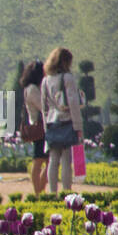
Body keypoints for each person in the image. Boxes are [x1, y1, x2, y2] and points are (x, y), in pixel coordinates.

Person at [40, 47, 83, 192]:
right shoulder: (67, 78)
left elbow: (44, 106)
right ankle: (66, 192)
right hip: (66, 121)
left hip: (52, 122)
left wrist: (46, 127)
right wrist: (78, 126)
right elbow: (73, 103)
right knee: (66, 160)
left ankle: (52, 192)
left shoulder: (46, 80)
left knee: (53, 160)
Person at [20, 60, 46, 194]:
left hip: (40, 127)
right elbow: (43, 107)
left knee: (46, 161)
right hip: (40, 129)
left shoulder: (32, 88)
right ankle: (38, 192)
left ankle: (40, 191)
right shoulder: (32, 89)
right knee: (39, 161)